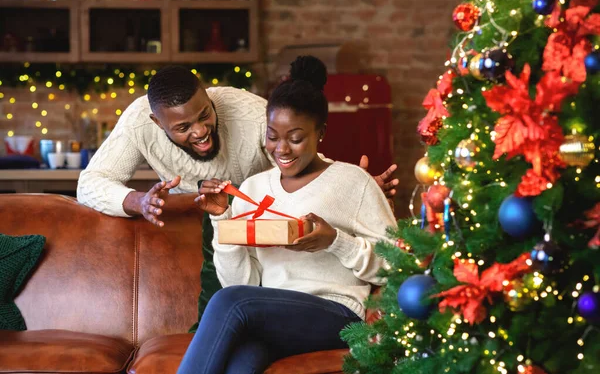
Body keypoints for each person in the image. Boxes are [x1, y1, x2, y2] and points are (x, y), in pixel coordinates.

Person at [76, 65, 398, 330]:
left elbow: (302, 169)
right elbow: (89, 183)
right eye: (184, 126)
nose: (201, 131)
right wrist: (139, 202)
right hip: (222, 226)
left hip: (263, 224)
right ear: (157, 123)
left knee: (230, 307)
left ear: (208, 95)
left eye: (205, 114)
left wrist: (352, 183)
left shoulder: (253, 115)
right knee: (237, 333)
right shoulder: (137, 123)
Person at [176, 56, 397, 374]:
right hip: (268, 316)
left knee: (228, 304)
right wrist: (222, 218)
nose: (281, 149)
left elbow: (393, 264)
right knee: (241, 362)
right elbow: (240, 283)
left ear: (320, 133)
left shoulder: (352, 182)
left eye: (295, 138)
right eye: (272, 136)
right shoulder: (251, 189)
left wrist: (334, 240)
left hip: (337, 315)